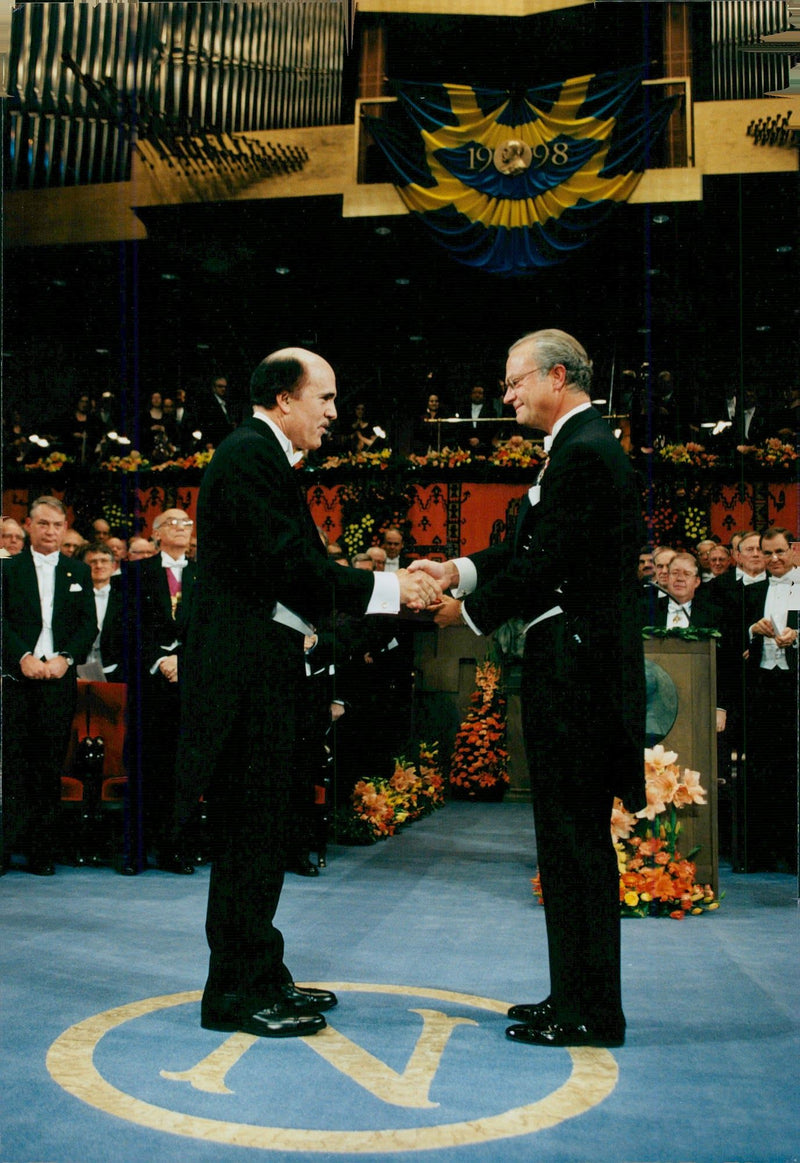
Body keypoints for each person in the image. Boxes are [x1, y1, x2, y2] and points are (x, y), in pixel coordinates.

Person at [174, 346, 439, 1040]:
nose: (333, 411)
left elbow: (300, 574)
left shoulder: (261, 457)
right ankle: (234, 991)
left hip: (265, 671)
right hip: (245, 678)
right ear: (285, 398)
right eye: (324, 397)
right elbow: (291, 566)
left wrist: (373, 605)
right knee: (249, 834)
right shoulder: (247, 455)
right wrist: (389, 588)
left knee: (265, 830)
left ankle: (259, 969)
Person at [410, 329, 645, 1049]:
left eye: (514, 381)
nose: (506, 394)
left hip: (578, 672)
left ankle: (592, 1010)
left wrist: (465, 611)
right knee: (564, 840)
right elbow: (524, 552)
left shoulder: (586, 451)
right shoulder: (578, 448)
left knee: (573, 842)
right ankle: (572, 994)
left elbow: (544, 566)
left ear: (555, 376)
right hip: (567, 666)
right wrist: (457, 568)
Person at [1, 496, 97, 874]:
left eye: (57, 525)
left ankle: (42, 851)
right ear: (28, 525)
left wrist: (65, 659)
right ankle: (7, 848)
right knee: (12, 765)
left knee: (48, 766)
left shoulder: (78, 571)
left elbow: (88, 625)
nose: (51, 532)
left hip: (59, 680)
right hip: (16, 678)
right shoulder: (8, 568)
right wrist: (22, 657)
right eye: (43, 524)